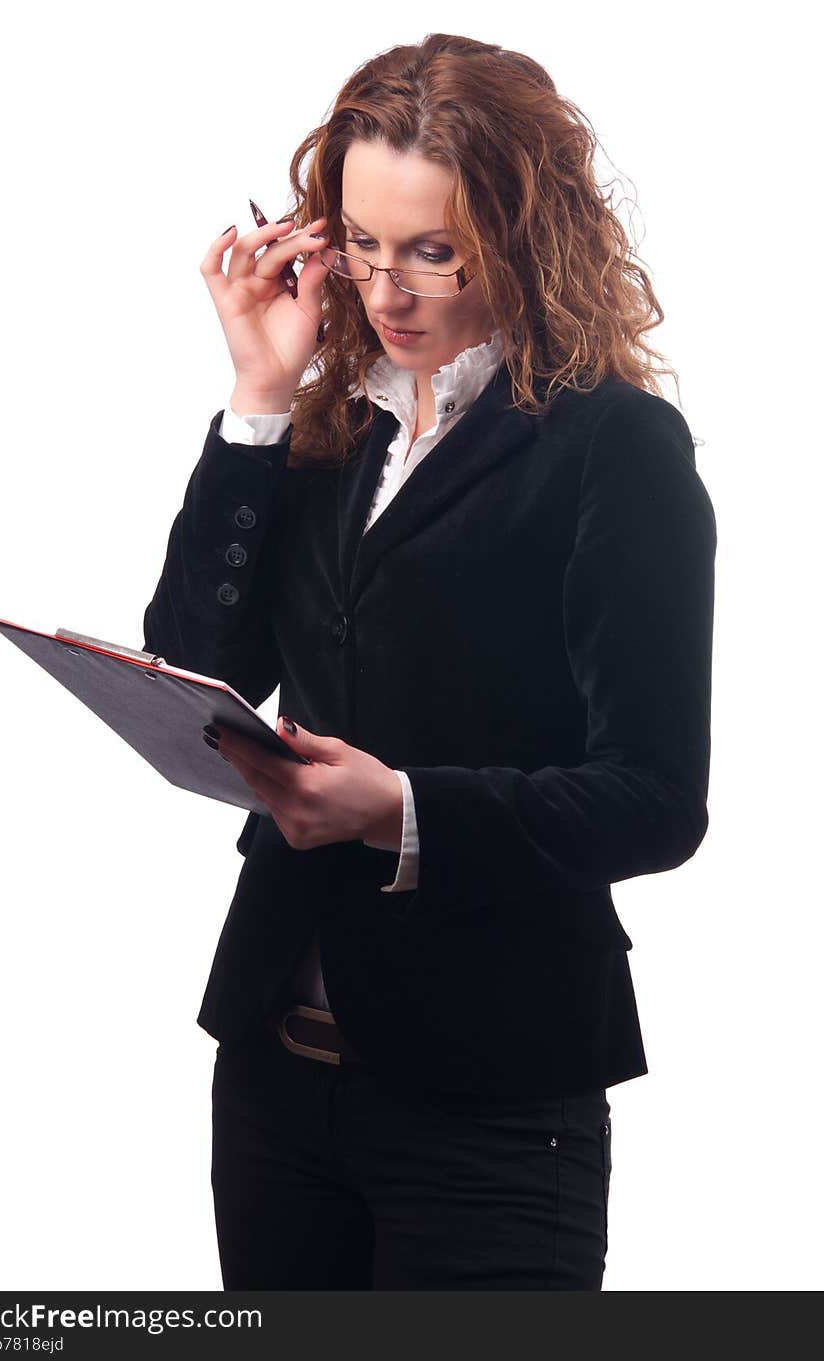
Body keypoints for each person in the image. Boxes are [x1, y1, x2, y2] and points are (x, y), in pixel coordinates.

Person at [142, 32, 716, 1290]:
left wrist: (400, 811)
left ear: (521, 233)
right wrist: (257, 397)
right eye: (359, 240)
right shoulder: (330, 431)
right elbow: (192, 659)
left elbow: (656, 799)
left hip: (493, 1105)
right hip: (275, 1082)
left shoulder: (613, 447)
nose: (384, 288)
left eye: (432, 250)